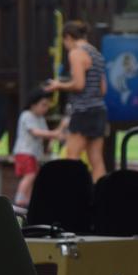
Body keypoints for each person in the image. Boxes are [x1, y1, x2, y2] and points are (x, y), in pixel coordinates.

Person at [44, 21, 108, 181]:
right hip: (99, 110)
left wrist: (59, 84)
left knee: (71, 158)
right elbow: (103, 89)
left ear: (68, 37)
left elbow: (79, 84)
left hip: (83, 111)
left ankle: (72, 197)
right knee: (97, 160)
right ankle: (100, 196)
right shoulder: (96, 54)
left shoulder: (76, 53)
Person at [12, 91, 62, 207]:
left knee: (32, 177)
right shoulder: (27, 115)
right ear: (33, 104)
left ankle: (28, 201)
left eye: (47, 105)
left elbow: (46, 133)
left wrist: (50, 140)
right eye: (43, 105)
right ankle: (19, 199)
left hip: (34, 153)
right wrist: (54, 134)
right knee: (30, 175)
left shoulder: (40, 118)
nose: (46, 108)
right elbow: (36, 132)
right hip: (25, 151)